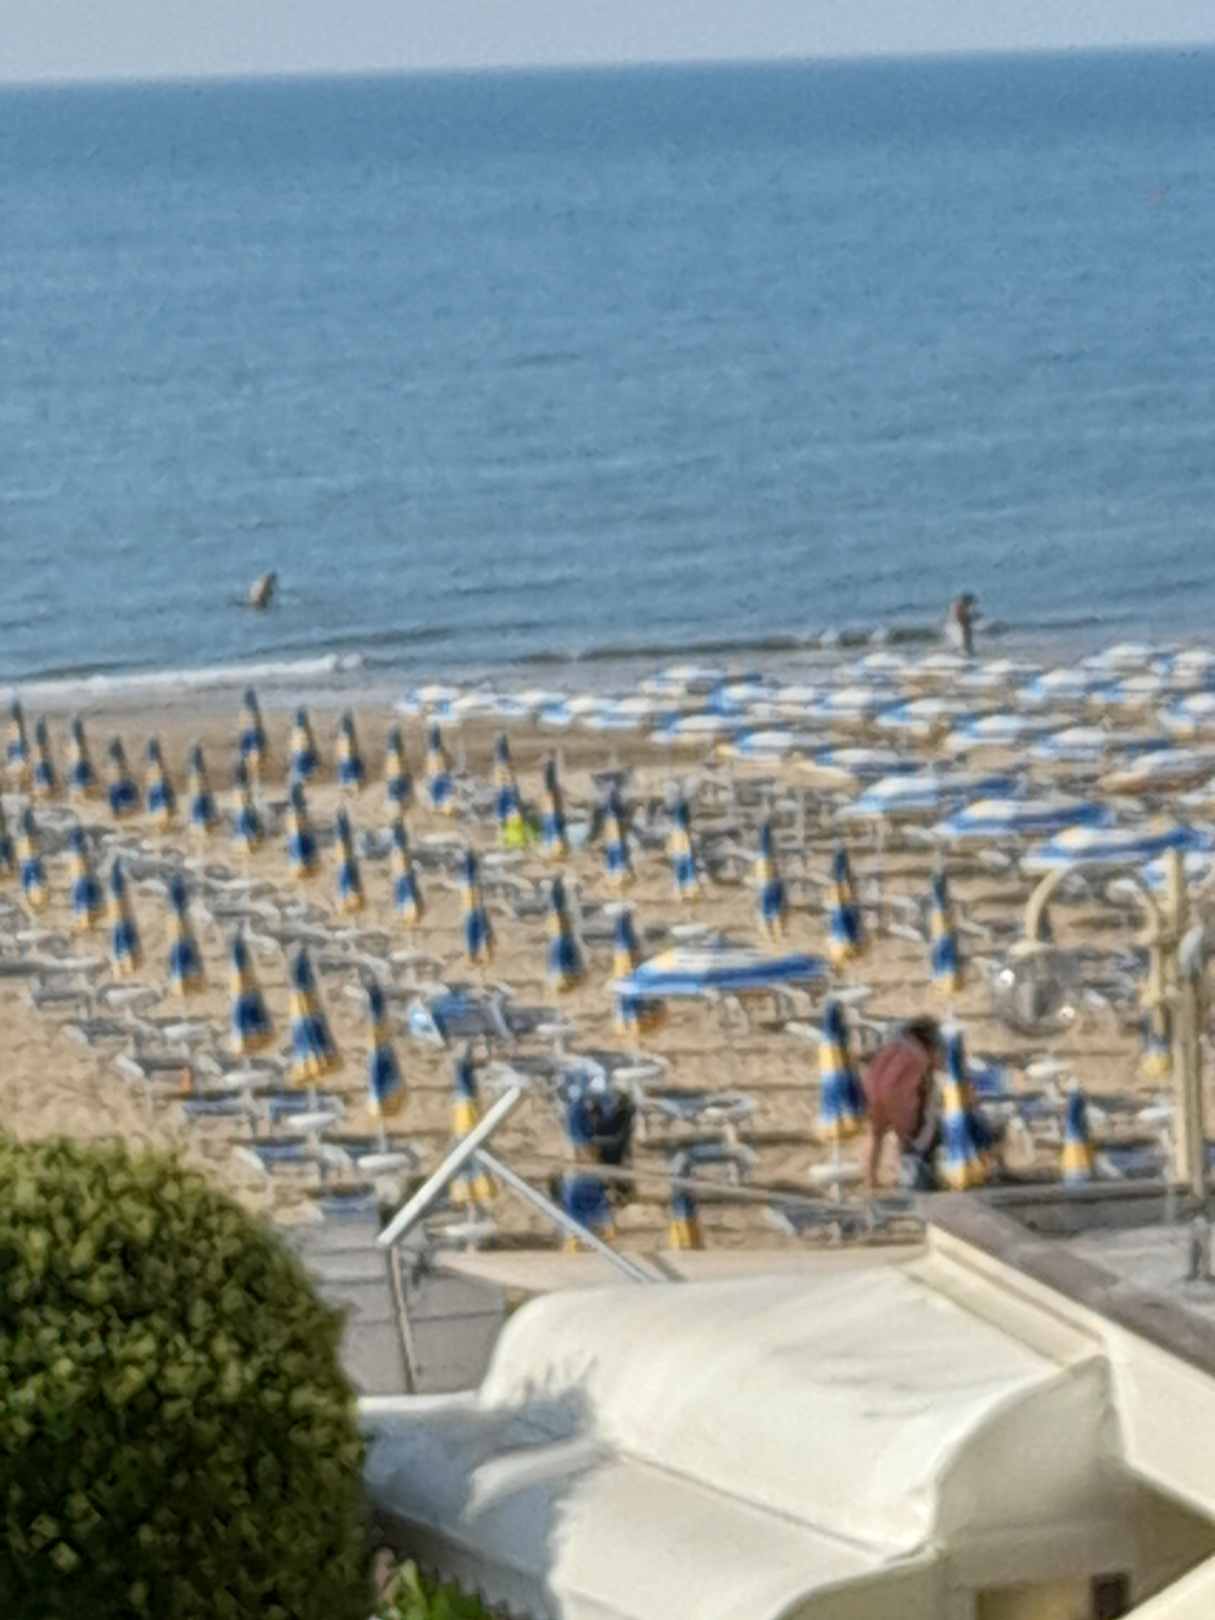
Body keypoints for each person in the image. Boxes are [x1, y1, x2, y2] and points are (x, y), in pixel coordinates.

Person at [861, 1016, 943, 1191]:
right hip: (897, 1096)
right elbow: (936, 1067)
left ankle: (870, 1179)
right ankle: (904, 1176)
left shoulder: (894, 1045)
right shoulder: (920, 1054)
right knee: (905, 1138)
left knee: (876, 1136)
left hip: (872, 1091)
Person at [944, 591, 977, 657]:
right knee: (963, 641)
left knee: (965, 639)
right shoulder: (958, 607)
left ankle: (966, 652)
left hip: (956, 625)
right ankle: (964, 653)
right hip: (956, 626)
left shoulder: (959, 607)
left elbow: (966, 618)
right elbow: (960, 617)